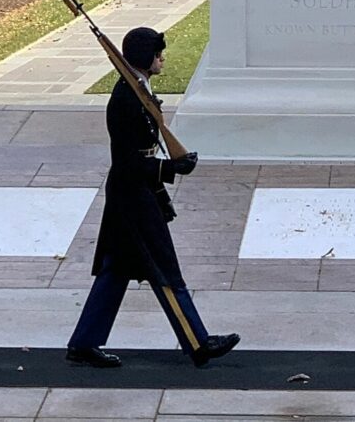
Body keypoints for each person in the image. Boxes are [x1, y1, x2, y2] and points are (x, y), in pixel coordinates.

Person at [66, 27, 240, 368]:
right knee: (165, 270)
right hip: (133, 199)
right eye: (158, 53)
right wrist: (170, 167)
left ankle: (84, 342)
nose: (163, 58)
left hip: (133, 195)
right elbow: (130, 162)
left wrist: (170, 166)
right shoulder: (127, 100)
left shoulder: (137, 90)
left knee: (116, 270)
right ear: (146, 58)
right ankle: (198, 342)